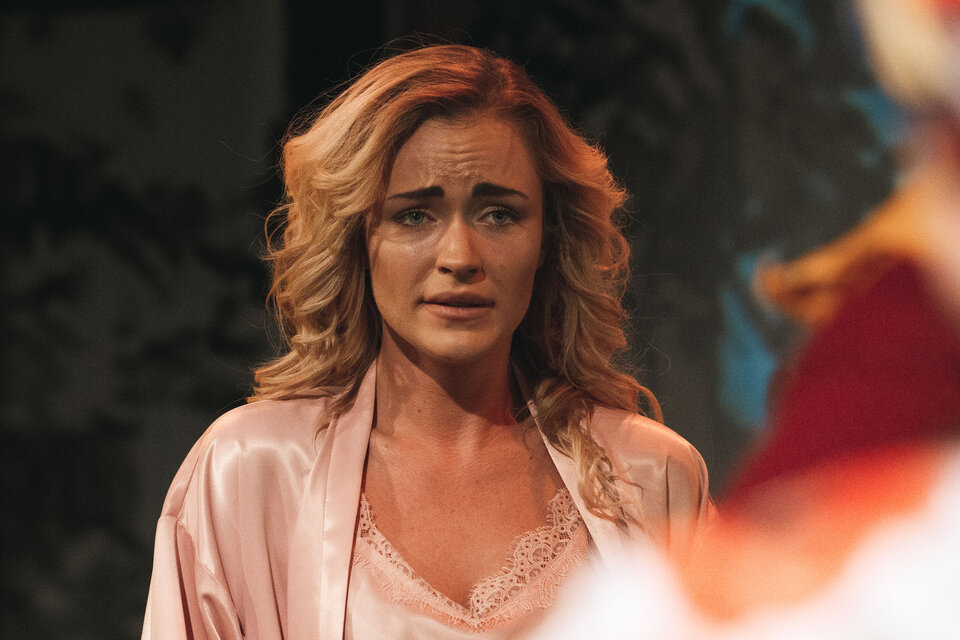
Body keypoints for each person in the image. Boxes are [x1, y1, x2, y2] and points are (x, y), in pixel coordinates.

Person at [141, 44, 714, 639]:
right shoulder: (249, 472)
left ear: (549, 238)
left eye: (499, 214)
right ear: (356, 236)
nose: (460, 257)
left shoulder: (651, 476)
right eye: (415, 215)